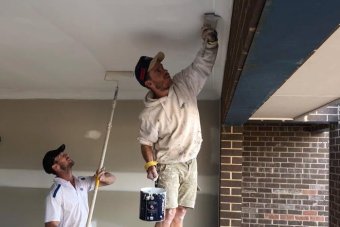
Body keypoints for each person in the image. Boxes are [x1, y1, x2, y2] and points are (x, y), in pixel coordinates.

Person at [134, 26, 218, 227]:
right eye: (158, 71)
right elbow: (146, 143)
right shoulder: (149, 115)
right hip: (168, 163)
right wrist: (150, 165)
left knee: (181, 211)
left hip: (191, 159)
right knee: (168, 212)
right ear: (149, 83)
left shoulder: (183, 83)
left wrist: (210, 44)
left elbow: (201, 67)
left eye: (162, 68)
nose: (164, 71)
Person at [42, 144, 116, 227]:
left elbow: (112, 179)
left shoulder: (82, 182)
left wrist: (103, 178)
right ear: (56, 167)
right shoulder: (55, 194)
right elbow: (50, 224)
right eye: (61, 156)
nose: (66, 155)